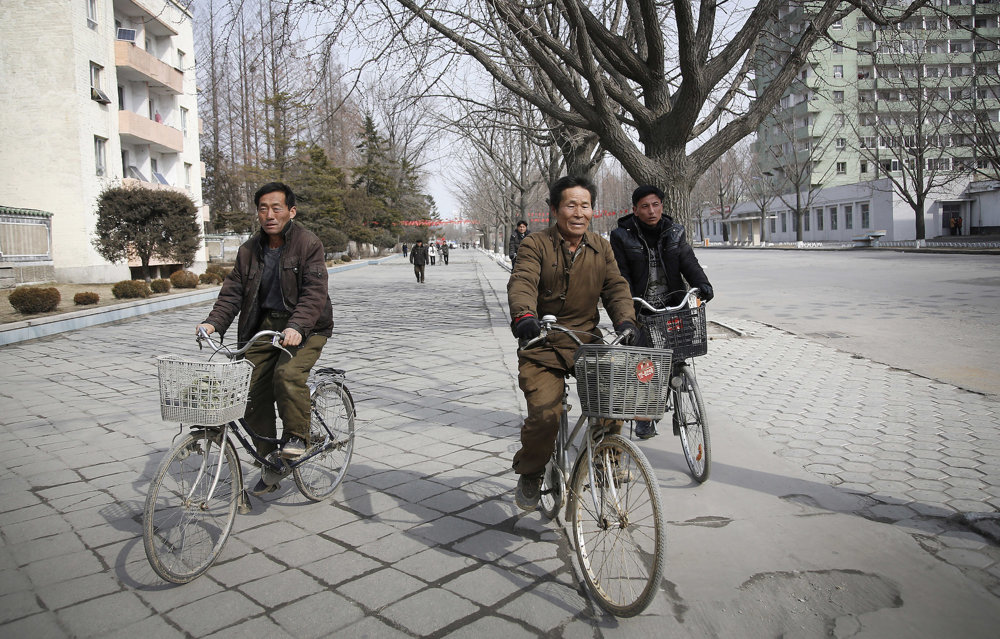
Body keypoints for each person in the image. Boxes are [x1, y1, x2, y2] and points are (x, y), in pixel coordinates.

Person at [507, 176, 638, 511]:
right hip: (541, 344)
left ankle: (605, 459)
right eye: (570, 205)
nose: (578, 212)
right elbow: (523, 280)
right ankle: (532, 470)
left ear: (592, 210)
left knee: (610, 401)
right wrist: (524, 315)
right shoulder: (534, 244)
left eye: (585, 205)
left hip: (586, 342)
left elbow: (616, 287)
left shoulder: (601, 247)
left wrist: (625, 319)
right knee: (545, 416)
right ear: (555, 210)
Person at [196, 182, 333, 495]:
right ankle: (271, 458)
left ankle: (298, 435)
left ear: (290, 211)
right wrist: (213, 323)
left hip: (307, 326)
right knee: (247, 385)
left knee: (286, 375)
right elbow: (232, 292)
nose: (269, 214)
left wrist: (298, 325)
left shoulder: (307, 243)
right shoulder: (249, 250)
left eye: (276, 208)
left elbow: (314, 291)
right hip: (265, 325)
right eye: (263, 208)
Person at [610, 185, 714, 439]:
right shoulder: (622, 236)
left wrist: (703, 285)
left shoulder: (674, 232)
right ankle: (645, 416)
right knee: (646, 368)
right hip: (642, 307)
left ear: (662, 206)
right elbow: (620, 273)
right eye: (644, 206)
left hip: (673, 304)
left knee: (676, 356)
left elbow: (688, 261)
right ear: (634, 210)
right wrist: (627, 304)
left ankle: (678, 392)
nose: (651, 210)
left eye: (655, 204)